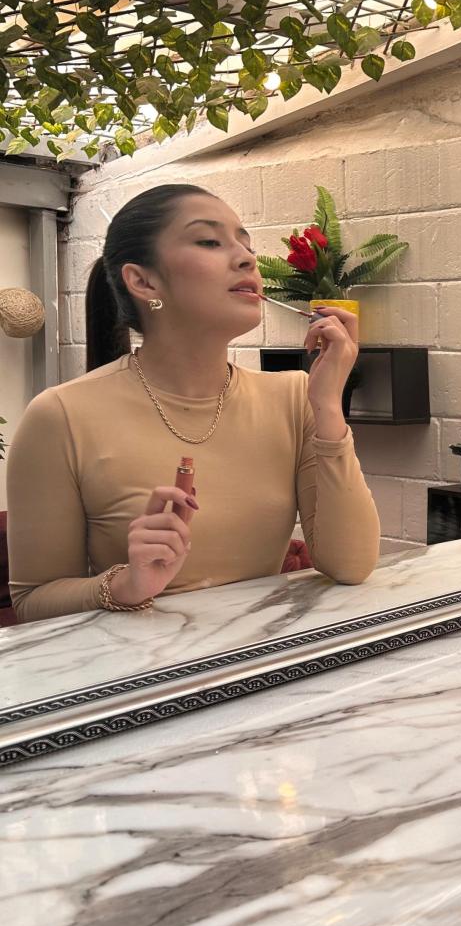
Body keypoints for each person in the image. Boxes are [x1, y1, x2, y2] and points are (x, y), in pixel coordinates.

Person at [6, 184, 380, 622]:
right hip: (141, 663)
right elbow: (33, 600)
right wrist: (127, 586)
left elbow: (351, 566)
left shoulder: (295, 397)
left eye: (247, 245)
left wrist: (329, 406)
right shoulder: (60, 416)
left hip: (267, 655)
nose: (247, 259)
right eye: (209, 241)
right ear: (144, 282)